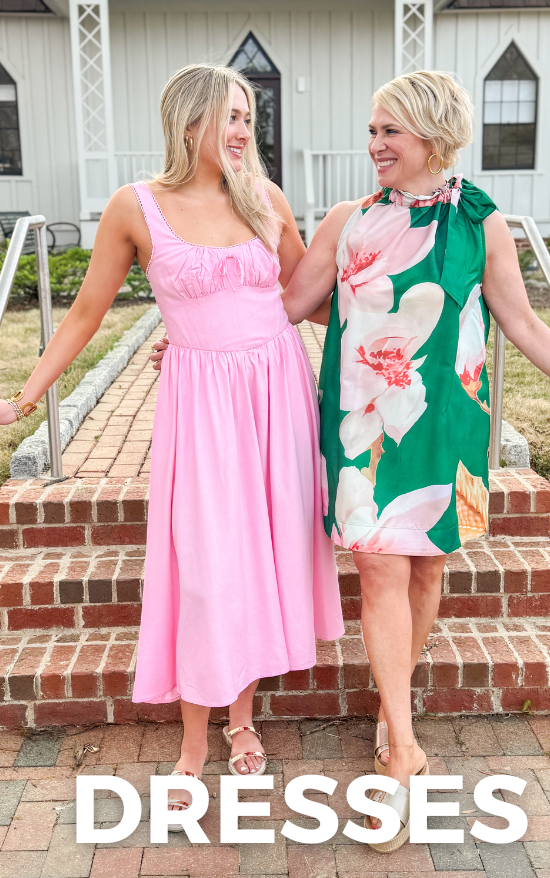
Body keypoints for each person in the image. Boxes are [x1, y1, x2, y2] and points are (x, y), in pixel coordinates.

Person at [0, 63, 344, 819]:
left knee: (258, 560)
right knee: (206, 567)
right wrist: (27, 395)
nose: (244, 130)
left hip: (276, 397)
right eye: (229, 116)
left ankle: (244, 719)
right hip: (204, 409)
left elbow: (303, 300)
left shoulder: (266, 200)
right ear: (188, 123)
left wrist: (398, 322)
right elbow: (87, 313)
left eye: (248, 116)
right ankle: (195, 739)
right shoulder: (136, 207)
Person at [279, 70, 550, 852]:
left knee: (426, 568)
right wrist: (192, 334)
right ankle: (404, 749)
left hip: (449, 418)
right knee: (383, 567)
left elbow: (518, 322)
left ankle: (395, 721)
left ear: (430, 132)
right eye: (372, 129)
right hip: (365, 421)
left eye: (389, 130)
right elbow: (288, 303)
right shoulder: (348, 219)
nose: (374, 145)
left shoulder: (480, 222)